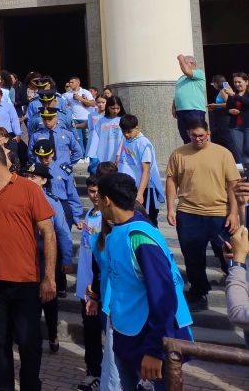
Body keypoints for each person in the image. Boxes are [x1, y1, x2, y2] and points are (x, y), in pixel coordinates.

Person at [0, 142, 57, 391]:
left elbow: (48, 232)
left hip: (25, 282)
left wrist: (49, 277)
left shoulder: (29, 189)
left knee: (28, 343)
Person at [95, 173, 193, 390]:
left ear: (106, 200)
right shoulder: (116, 233)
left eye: (98, 197)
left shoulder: (140, 237)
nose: (97, 202)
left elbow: (163, 296)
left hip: (150, 339)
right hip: (127, 334)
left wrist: (155, 350)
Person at [165, 118, 241, 310]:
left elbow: (233, 185)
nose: (198, 139)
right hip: (188, 213)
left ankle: (239, 286)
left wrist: (234, 214)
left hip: (219, 214)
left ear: (208, 134)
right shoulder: (178, 154)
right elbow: (172, 181)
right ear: (188, 134)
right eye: (194, 136)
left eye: (201, 136)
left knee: (227, 254)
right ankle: (199, 292)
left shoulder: (223, 154)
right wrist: (170, 208)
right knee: (192, 256)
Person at [21, 162, 73, 355]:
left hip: (46, 257)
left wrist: (66, 259)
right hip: (25, 257)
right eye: (27, 176)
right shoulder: (19, 198)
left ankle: (52, 334)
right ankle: (30, 336)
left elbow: (63, 232)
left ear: (44, 181)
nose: (29, 180)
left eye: (33, 177)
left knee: (49, 299)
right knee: (28, 300)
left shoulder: (52, 202)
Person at [75, 176, 109, 391]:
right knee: (90, 332)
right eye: (91, 191)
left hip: (100, 288)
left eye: (97, 191)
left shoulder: (108, 218)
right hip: (85, 287)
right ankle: (93, 372)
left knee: (105, 333)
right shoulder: (90, 213)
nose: (94, 196)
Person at [117, 114, 165, 226]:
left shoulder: (143, 143)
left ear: (136, 127)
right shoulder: (125, 140)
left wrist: (140, 194)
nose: (126, 134)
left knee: (148, 221)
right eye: (123, 131)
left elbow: (146, 170)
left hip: (145, 189)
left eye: (129, 131)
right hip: (130, 187)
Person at [30, 131, 83, 230]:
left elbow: (71, 193)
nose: (44, 160)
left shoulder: (63, 170)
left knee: (64, 237)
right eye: (40, 158)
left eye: (46, 157)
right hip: (40, 207)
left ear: (52, 154)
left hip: (61, 207)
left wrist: (76, 216)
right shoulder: (32, 173)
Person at [172, 53, 207, 144]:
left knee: (198, 135)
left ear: (192, 64)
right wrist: (173, 107)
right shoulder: (181, 78)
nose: (181, 65)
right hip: (181, 111)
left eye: (184, 63)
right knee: (186, 137)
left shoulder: (199, 73)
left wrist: (180, 58)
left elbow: (187, 71)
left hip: (194, 110)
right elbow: (177, 93)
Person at [65, 76, 95, 154]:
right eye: (70, 82)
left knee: (87, 138)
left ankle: (88, 155)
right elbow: (65, 106)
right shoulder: (67, 94)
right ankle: (81, 156)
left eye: (72, 82)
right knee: (78, 139)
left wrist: (80, 98)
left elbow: (93, 103)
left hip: (86, 119)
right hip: (74, 119)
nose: (70, 84)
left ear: (78, 83)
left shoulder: (85, 92)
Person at [225, 71, 249, 169]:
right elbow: (227, 108)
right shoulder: (232, 95)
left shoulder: (234, 94)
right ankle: (244, 172)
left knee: (247, 149)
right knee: (239, 151)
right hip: (235, 126)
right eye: (235, 82)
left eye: (239, 82)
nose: (237, 84)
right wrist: (230, 111)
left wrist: (234, 95)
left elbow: (247, 102)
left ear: (246, 82)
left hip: (247, 126)